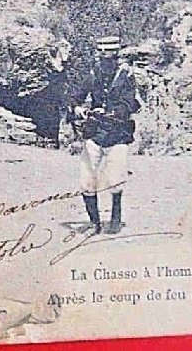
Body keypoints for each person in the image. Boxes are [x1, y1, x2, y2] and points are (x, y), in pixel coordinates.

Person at [69, 36, 141, 235]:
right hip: (95, 133)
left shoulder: (126, 76)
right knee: (86, 181)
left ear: (115, 56)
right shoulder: (94, 74)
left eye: (108, 56)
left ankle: (115, 218)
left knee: (116, 180)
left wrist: (111, 113)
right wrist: (77, 108)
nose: (104, 60)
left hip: (118, 134)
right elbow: (76, 96)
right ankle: (94, 223)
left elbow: (128, 104)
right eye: (101, 55)